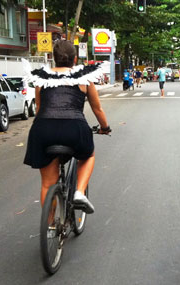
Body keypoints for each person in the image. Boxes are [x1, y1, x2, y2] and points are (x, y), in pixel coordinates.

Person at [24, 40, 111, 214]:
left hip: (43, 129)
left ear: (54, 59)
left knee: (48, 184)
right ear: (75, 59)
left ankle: (49, 227)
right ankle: (79, 192)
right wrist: (105, 127)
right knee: (88, 156)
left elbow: (40, 108)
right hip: (74, 128)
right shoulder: (84, 78)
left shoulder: (41, 79)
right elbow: (97, 108)